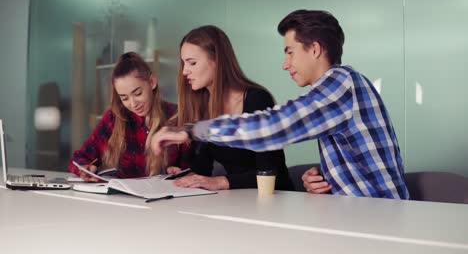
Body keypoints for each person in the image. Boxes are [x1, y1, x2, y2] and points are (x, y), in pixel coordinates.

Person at [151, 10, 409, 199]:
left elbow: (273, 128)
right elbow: (359, 156)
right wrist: (323, 178)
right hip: (359, 215)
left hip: (379, 219)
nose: (285, 64)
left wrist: (192, 129)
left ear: (315, 49)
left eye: (289, 51)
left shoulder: (340, 83)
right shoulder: (338, 90)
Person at [165, 25, 293, 191]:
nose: (184, 71)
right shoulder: (204, 104)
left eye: (192, 63)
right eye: (183, 63)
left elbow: (270, 174)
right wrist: (183, 175)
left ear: (217, 61)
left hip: (275, 199)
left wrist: (219, 182)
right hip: (237, 201)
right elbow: (202, 170)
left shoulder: (257, 99)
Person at [69, 52, 188, 181]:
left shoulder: (176, 115)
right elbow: (79, 158)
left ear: (152, 82)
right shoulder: (113, 118)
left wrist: (177, 172)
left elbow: (194, 167)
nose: (133, 104)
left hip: (164, 197)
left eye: (138, 93)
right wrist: (84, 169)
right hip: (120, 199)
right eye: (124, 98)